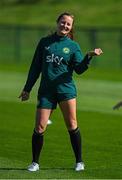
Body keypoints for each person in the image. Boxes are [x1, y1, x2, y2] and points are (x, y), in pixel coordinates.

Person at [19, 12, 103, 172]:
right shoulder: (44, 42)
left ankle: (79, 161)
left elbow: (79, 70)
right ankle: (35, 163)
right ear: (57, 22)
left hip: (66, 91)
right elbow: (35, 67)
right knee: (39, 126)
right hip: (46, 92)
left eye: (68, 24)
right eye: (63, 22)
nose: (65, 26)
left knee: (72, 125)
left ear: (71, 28)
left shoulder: (73, 46)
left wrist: (88, 57)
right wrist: (27, 89)